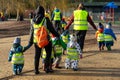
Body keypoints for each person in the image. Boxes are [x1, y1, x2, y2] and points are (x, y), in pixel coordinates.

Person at [27, 5, 60, 74]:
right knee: (48, 53)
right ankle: (47, 68)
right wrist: (58, 35)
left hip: (36, 40)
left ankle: (36, 70)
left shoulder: (32, 21)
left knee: (37, 55)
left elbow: (31, 32)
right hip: (46, 40)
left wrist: (30, 41)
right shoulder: (46, 19)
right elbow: (52, 30)